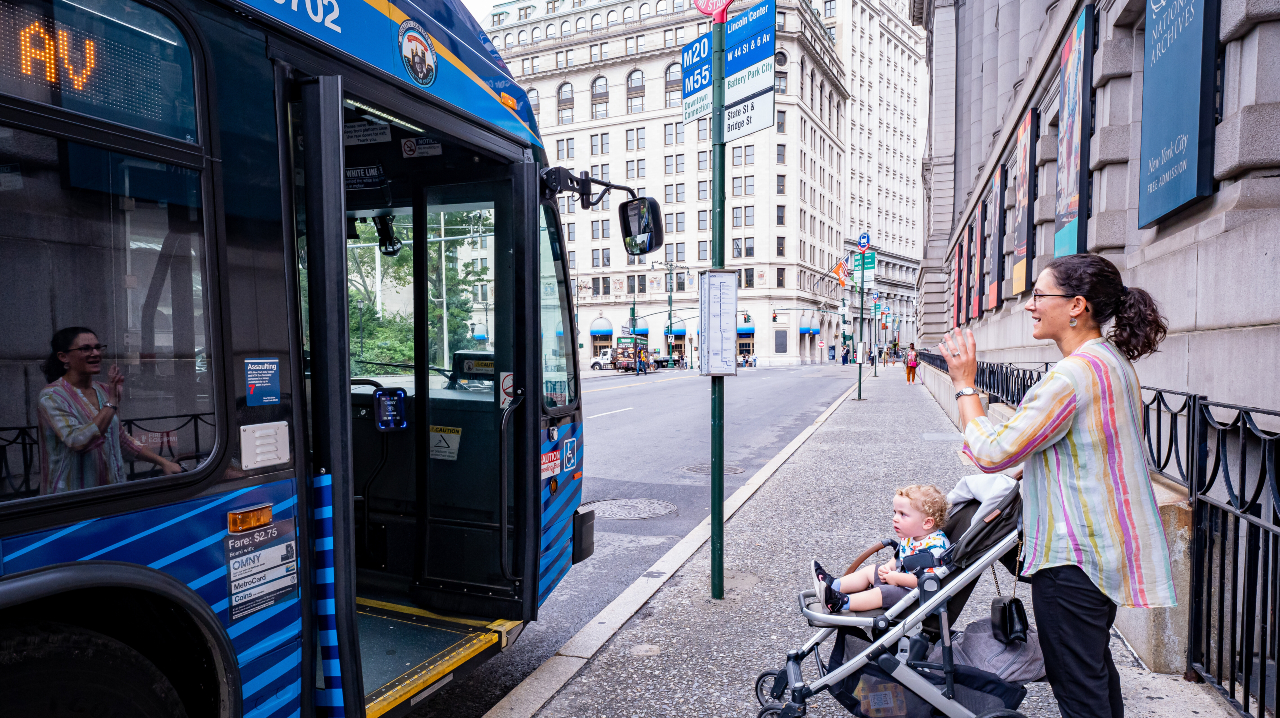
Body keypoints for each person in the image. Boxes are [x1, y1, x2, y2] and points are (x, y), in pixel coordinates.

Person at [940, 253, 1174, 718]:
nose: (1030, 305)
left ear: (1076, 306)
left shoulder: (1069, 377)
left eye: (1040, 295)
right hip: (1100, 552)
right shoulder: (1111, 362)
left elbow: (993, 452)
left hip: (1072, 558)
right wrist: (1038, 467)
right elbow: (1095, 446)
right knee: (1093, 670)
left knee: (1078, 687)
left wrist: (965, 386)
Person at [38, 327, 181, 495]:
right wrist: (112, 402)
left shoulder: (104, 390)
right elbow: (78, 441)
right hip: (72, 500)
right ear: (63, 357)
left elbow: (120, 439)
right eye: (85, 349)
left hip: (112, 493)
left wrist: (163, 462)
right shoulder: (51, 396)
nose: (95, 353)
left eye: (98, 348)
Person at [812, 485, 950, 613]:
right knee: (872, 570)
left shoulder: (935, 547)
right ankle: (833, 585)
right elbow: (899, 559)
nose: (895, 518)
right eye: (895, 512)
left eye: (903, 514)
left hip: (916, 597)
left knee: (882, 593)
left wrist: (897, 578)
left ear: (927, 523)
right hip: (900, 581)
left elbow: (928, 582)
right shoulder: (912, 536)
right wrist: (888, 568)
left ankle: (839, 602)